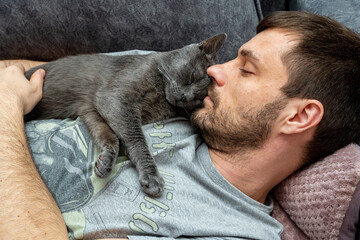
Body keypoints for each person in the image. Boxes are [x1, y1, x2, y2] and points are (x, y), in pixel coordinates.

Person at [1, 11, 359, 239]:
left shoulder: (234, 231)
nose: (214, 70)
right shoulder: (177, 81)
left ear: (298, 116)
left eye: (246, 69)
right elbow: (31, 76)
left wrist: (5, 112)